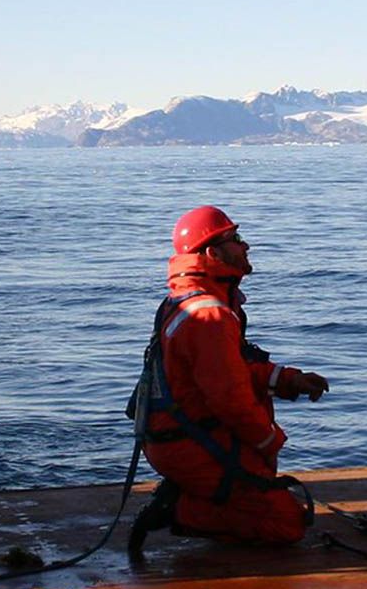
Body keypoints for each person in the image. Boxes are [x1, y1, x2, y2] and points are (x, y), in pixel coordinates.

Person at [127, 205, 329, 558]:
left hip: (175, 437)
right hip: (190, 444)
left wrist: (288, 380)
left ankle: (196, 494)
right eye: (235, 239)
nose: (246, 245)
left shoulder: (188, 302)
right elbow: (229, 398)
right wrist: (269, 442)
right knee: (286, 523)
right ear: (213, 253)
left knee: (265, 498)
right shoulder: (210, 315)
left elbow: (229, 370)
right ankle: (177, 508)